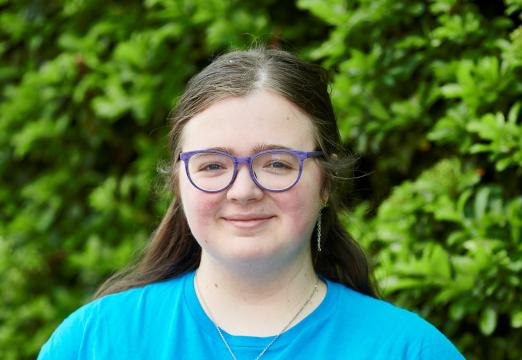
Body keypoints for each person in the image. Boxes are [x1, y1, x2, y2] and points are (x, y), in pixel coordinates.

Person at [38, 48, 464, 359]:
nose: (243, 190)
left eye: (277, 163)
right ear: (179, 183)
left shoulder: (409, 350)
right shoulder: (92, 342)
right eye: (212, 165)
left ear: (326, 183)